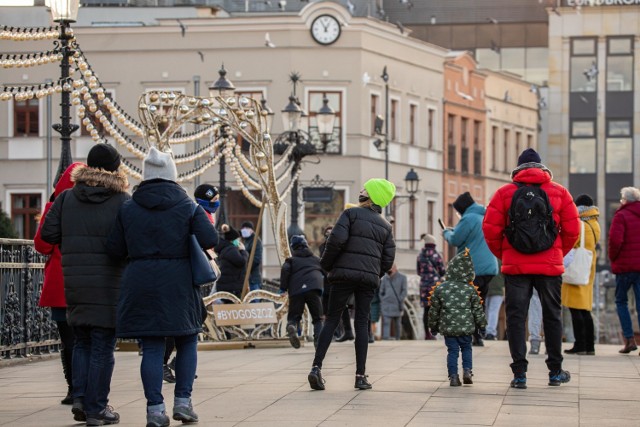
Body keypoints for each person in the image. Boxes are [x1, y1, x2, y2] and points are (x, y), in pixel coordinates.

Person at [107, 147, 218, 427]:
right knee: (187, 339)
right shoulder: (188, 206)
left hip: (141, 282)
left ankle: (155, 411)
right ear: (172, 176)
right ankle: (183, 402)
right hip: (180, 282)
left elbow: (114, 249)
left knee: (152, 346)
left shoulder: (128, 207)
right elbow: (209, 238)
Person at [41, 143, 130, 425]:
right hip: (109, 283)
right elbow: (129, 242)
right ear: (115, 168)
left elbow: (47, 234)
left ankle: (79, 397)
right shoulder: (122, 200)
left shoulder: (66, 197)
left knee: (82, 341)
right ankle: (96, 408)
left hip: (75, 281)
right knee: (103, 345)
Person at [482, 148, 579, 389]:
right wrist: (557, 252)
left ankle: (519, 374)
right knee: (552, 316)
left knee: (516, 318)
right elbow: (573, 231)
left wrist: (505, 254)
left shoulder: (504, 194)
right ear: (541, 167)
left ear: (518, 169)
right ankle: (555, 371)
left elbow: (490, 229)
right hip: (550, 265)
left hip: (516, 266)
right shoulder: (559, 192)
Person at [308, 178, 396, 391]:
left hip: (343, 275)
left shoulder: (350, 214)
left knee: (331, 320)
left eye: (365, 188)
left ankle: (316, 368)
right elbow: (388, 259)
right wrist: (375, 274)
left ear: (371, 195)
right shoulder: (385, 227)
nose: (361, 190)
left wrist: (326, 266)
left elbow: (335, 241)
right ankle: (360, 376)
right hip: (367, 280)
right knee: (362, 323)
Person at [33, 162, 85, 405]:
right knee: (88, 339)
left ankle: (73, 389)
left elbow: (42, 245)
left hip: (60, 284)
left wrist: (48, 208)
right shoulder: (90, 207)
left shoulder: (56, 207)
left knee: (68, 340)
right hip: (86, 283)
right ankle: (85, 389)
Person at [443, 191, 498, 346]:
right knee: (481, 301)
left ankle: (475, 336)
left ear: (462, 208)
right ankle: (480, 333)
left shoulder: (468, 218)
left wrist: (446, 232)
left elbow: (455, 239)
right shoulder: (483, 216)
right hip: (489, 267)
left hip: (474, 267)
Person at [428, 249, 487, 387]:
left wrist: (433, 326)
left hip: (449, 328)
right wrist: (482, 326)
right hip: (466, 328)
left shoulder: (440, 289)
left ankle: (453, 377)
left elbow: (434, 310)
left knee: (452, 351)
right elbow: (478, 310)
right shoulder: (470, 289)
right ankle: (467, 371)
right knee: (467, 348)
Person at [562, 194, 600, 356]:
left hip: (576, 267)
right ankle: (589, 345)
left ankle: (580, 344)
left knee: (575, 309)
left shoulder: (580, 225)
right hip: (588, 266)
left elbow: (571, 242)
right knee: (585, 308)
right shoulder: (594, 223)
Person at [608, 186, 640, 354]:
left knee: (621, 302)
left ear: (626, 200)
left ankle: (629, 340)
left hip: (625, 267)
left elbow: (615, 240)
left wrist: (613, 258)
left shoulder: (621, 215)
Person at [280, 235, 324, 349]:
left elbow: (285, 270)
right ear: (306, 245)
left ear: (293, 248)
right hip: (314, 288)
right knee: (318, 318)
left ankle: (292, 326)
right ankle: (319, 341)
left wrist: (283, 288)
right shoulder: (316, 259)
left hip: (296, 290)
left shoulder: (291, 261)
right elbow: (326, 271)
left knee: (294, 316)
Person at [319, 225, 354, 342]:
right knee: (329, 309)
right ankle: (339, 332)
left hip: (337, 279)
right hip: (328, 281)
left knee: (341, 307)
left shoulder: (340, 245)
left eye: (331, 233)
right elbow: (323, 263)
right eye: (327, 234)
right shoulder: (322, 247)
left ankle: (346, 331)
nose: (329, 236)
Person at [417, 234, 446, 340]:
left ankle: (427, 334)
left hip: (424, 286)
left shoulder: (420, 255)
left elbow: (418, 271)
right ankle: (433, 332)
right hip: (434, 286)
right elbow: (442, 271)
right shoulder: (436, 255)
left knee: (426, 310)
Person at [215, 224, 249, 299]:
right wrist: (243, 251)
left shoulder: (226, 248)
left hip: (228, 286)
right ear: (233, 239)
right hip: (232, 288)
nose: (239, 241)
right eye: (238, 239)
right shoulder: (231, 249)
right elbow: (241, 262)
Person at [379, 264, 408, 340]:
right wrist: (383, 300)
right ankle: (386, 338)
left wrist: (400, 299)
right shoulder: (385, 278)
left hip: (397, 304)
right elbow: (381, 292)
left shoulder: (402, 277)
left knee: (398, 324)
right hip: (386, 305)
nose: (390, 269)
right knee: (386, 323)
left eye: (391, 268)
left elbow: (404, 291)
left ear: (395, 268)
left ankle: (398, 338)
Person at [240, 221, 263, 292]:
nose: (244, 230)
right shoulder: (246, 241)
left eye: (246, 228)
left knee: (254, 301)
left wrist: (245, 266)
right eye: (243, 228)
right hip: (248, 279)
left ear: (251, 230)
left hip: (253, 279)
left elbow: (256, 259)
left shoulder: (256, 241)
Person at [484, 265, 504, 341]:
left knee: (486, 311)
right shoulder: (500, 259)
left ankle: (484, 331)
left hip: (486, 286)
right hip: (499, 288)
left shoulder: (486, 259)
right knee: (494, 311)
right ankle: (490, 332)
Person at [528, 290, 543, 355]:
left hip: (532, 280)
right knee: (551, 310)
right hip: (552, 281)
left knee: (535, 309)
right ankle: (551, 345)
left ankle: (535, 345)